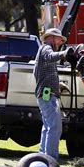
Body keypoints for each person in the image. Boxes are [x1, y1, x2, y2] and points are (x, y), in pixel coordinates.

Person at [33, 27, 72, 160]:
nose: (60, 43)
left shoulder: (43, 50)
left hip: (46, 93)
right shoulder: (46, 49)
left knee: (48, 126)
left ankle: (43, 156)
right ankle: (50, 159)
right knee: (54, 127)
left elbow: (41, 73)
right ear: (52, 37)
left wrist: (58, 85)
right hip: (47, 94)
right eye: (59, 40)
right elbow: (50, 57)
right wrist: (64, 53)